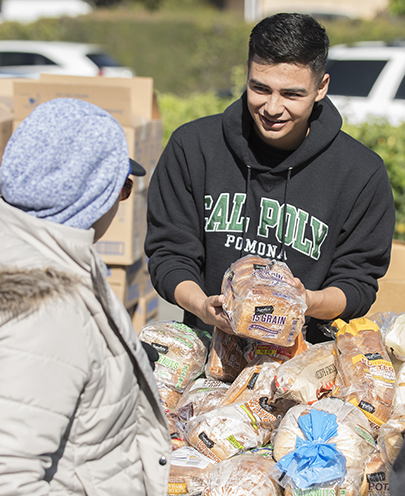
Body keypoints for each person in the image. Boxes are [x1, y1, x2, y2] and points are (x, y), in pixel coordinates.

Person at [0, 98, 171, 496]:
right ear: (90, 197)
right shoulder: (43, 307)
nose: (120, 203)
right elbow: (1, 484)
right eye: (121, 189)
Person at [145, 12, 395, 344]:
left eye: (291, 94)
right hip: (207, 358)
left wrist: (308, 301)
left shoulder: (360, 173)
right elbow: (169, 254)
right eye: (260, 88)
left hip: (303, 372)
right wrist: (203, 307)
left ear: (321, 88)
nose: (273, 108)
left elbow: (358, 284)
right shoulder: (194, 147)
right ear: (247, 75)